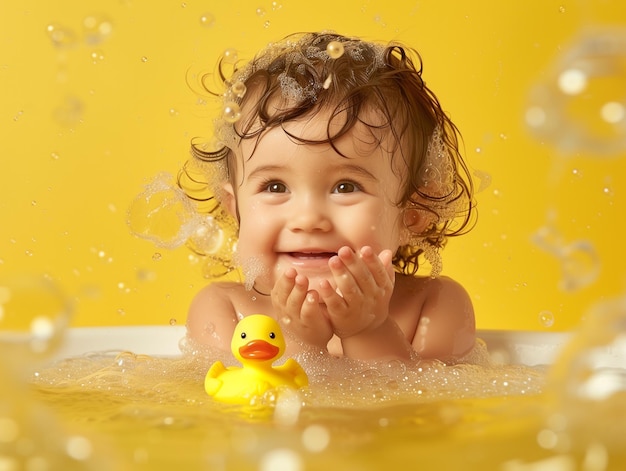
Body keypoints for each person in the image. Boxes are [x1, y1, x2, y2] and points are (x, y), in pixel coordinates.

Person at [182, 32, 476, 361]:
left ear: (412, 214)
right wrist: (299, 342)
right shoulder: (224, 311)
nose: (308, 219)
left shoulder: (435, 305)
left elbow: (415, 407)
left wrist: (368, 330)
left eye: (346, 187)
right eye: (275, 187)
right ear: (235, 208)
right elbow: (243, 408)